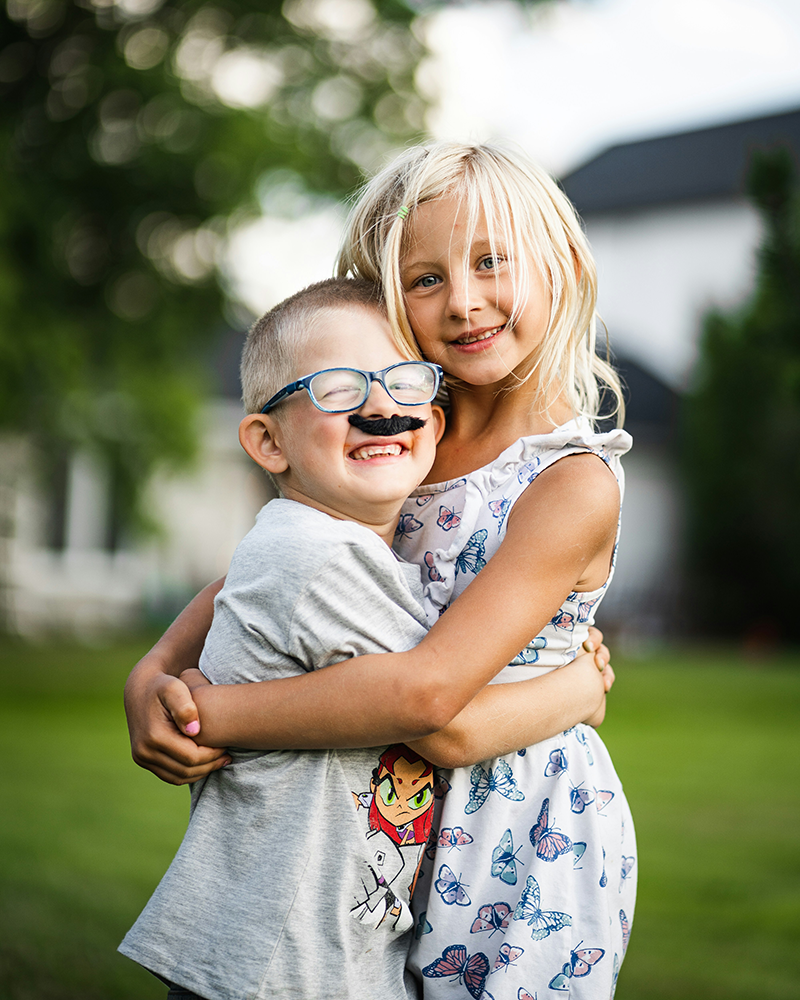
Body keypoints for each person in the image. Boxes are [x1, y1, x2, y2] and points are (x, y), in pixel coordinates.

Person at [124, 141, 636, 998]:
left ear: (566, 265)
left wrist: (212, 713)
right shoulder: (404, 432)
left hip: (518, 833)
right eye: (426, 279)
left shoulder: (569, 482)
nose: (463, 301)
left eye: (490, 263)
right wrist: (150, 677)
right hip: (383, 817)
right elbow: (268, 568)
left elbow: (438, 706)